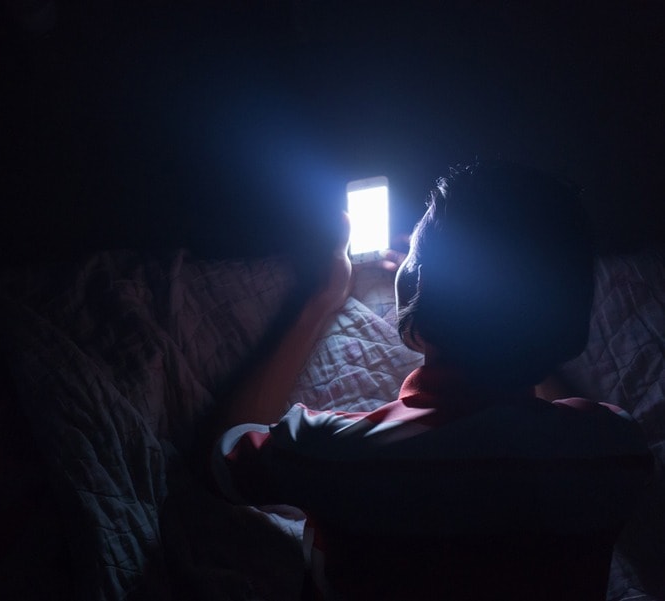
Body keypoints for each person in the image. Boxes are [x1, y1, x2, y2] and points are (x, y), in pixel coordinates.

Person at [208, 162, 653, 600]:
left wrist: (320, 298)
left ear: (419, 285)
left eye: (416, 257)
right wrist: (521, 331)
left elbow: (224, 453)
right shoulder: (616, 452)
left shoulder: (333, 454)